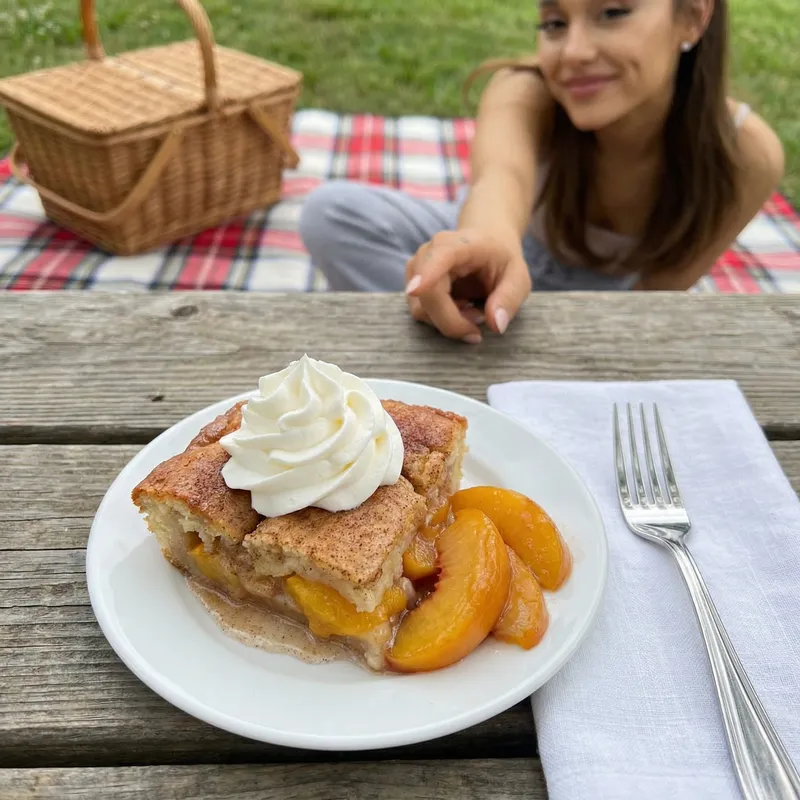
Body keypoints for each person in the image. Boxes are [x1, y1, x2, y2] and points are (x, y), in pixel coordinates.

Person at [299, 0, 784, 344]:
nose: (573, 52)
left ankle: (474, 333)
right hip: (504, 246)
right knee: (331, 213)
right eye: (554, 23)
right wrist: (481, 245)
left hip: (603, 302)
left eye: (613, 13)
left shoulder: (748, 157)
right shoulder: (524, 90)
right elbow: (499, 181)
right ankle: (460, 320)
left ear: (693, 16)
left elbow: (653, 304)